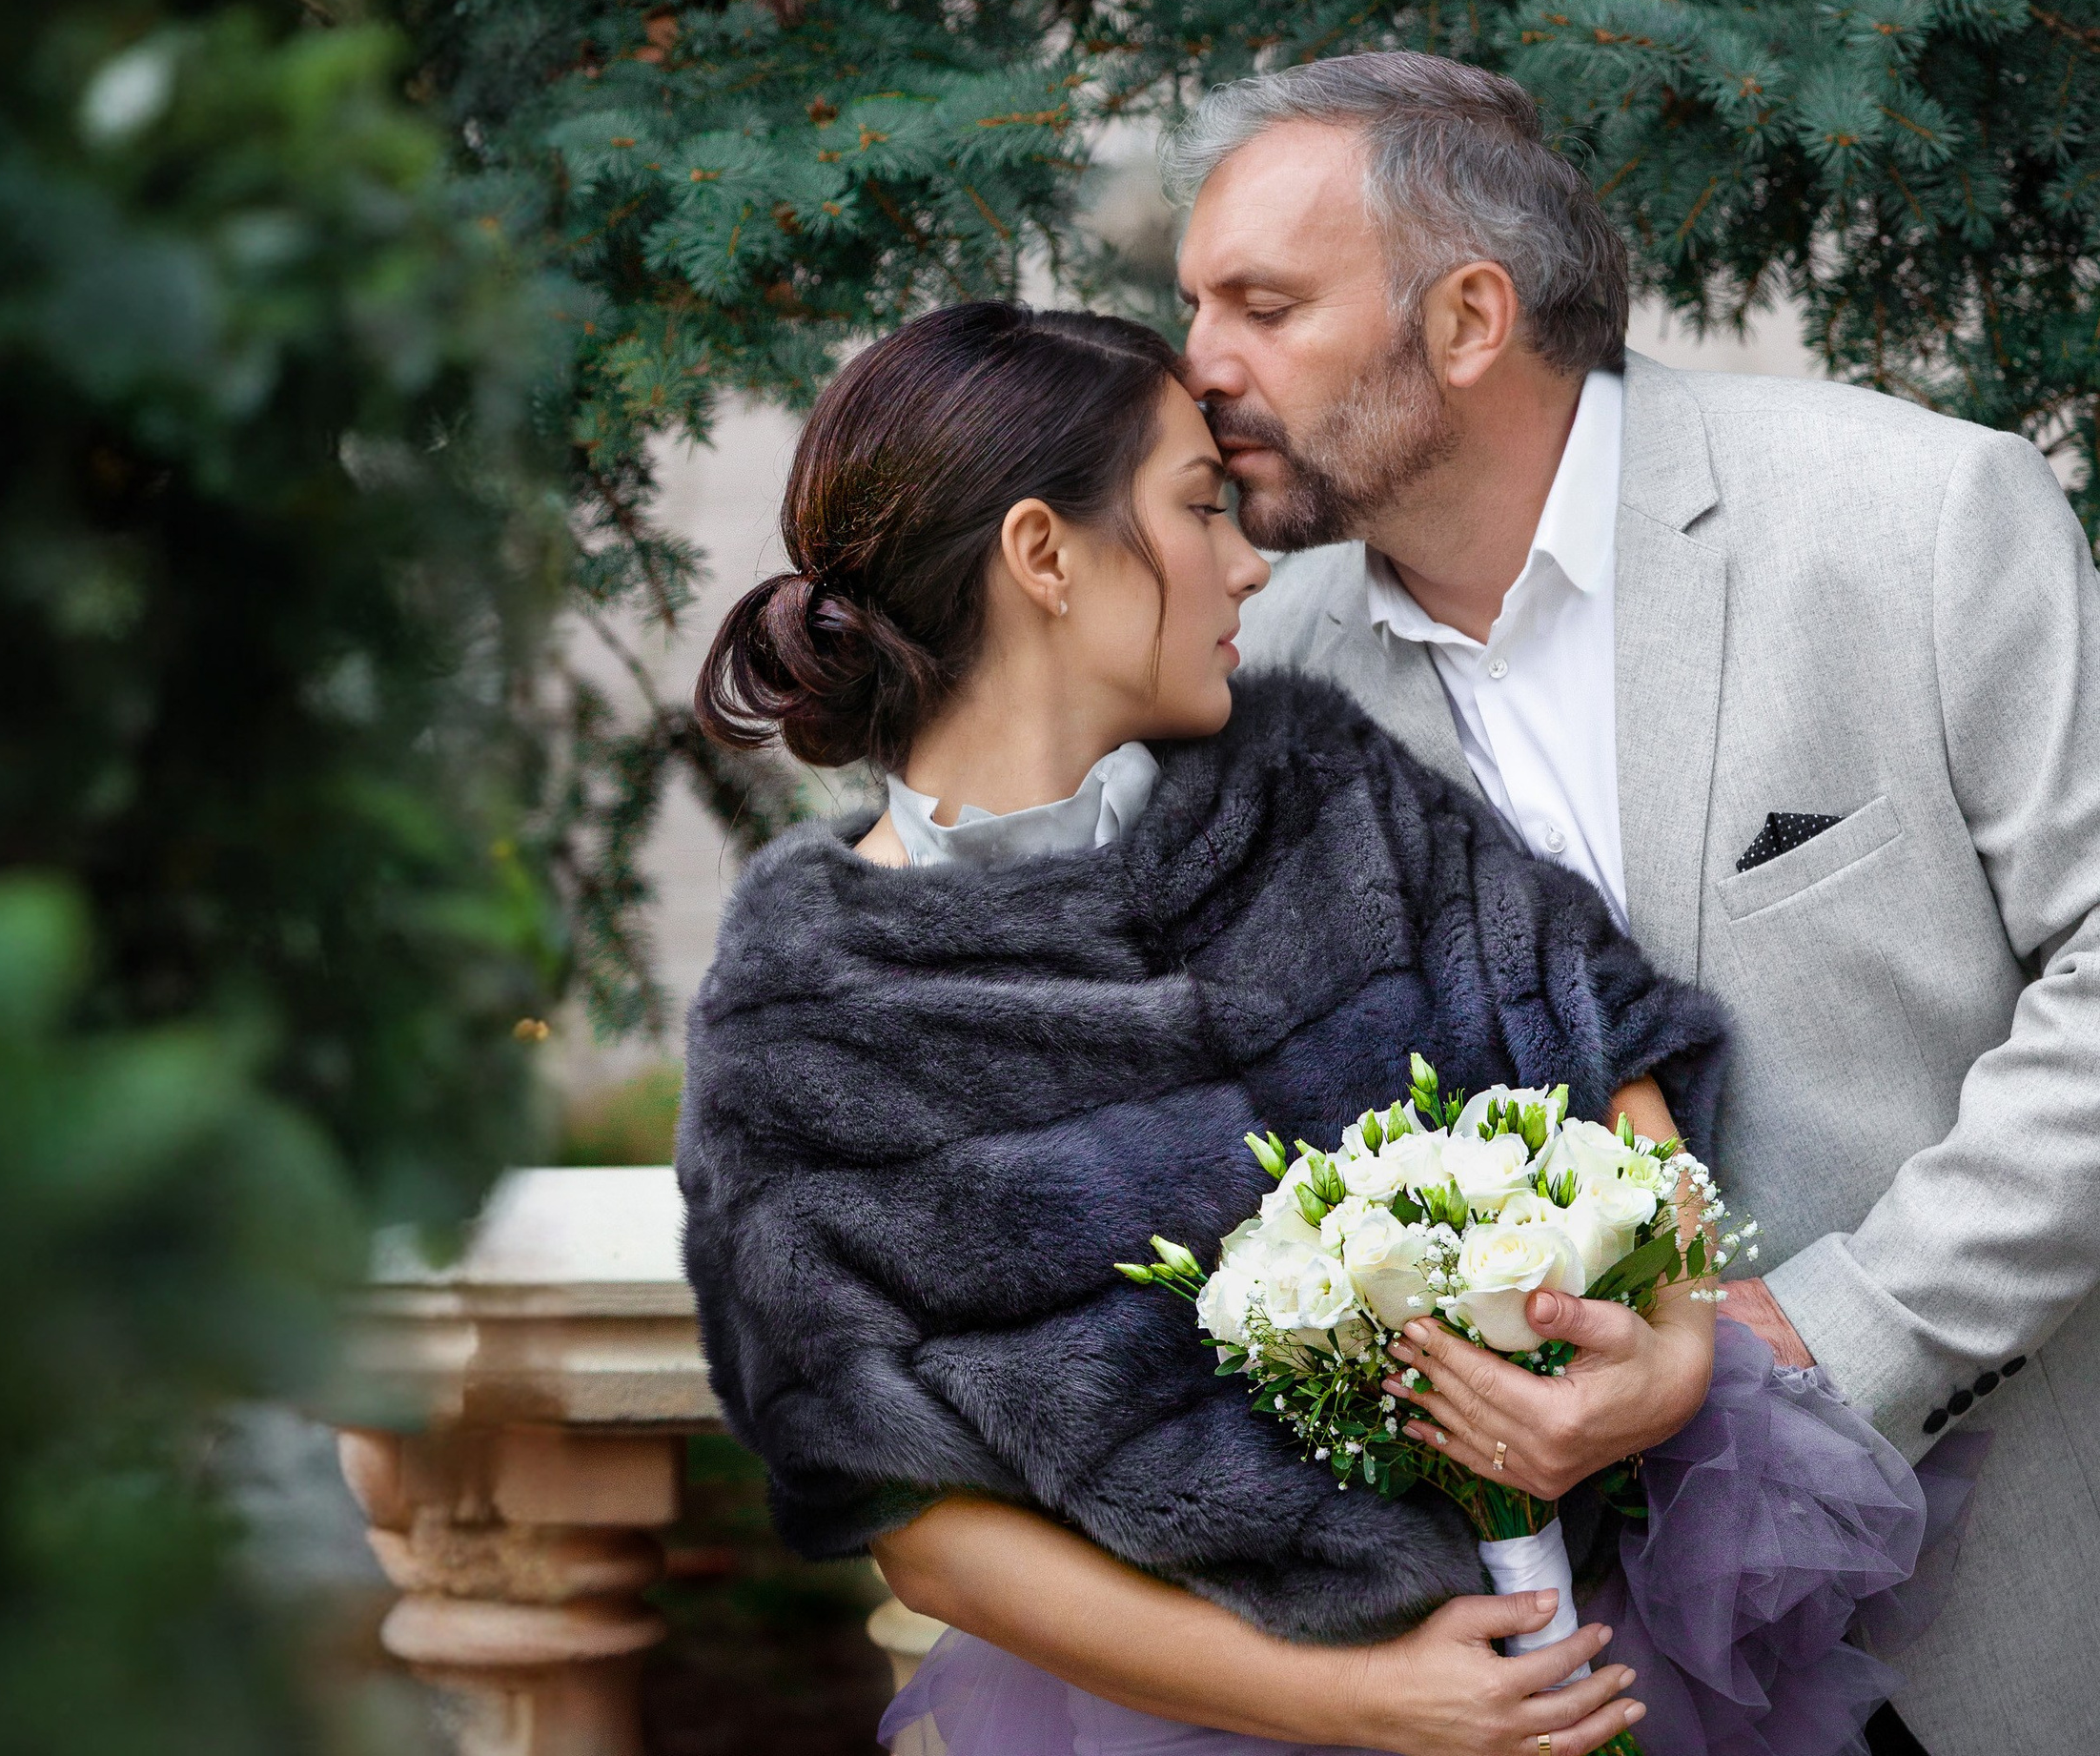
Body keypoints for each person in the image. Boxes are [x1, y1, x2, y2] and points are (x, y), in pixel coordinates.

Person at [676, 301, 1921, 1756]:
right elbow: (915, 1521)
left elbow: (1596, 1032)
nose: (1251, 562)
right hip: (1213, 1718)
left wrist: (1674, 1342)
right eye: (1199, 505)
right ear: (1043, 554)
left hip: (1615, 1639)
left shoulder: (1317, 775)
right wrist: (1368, 1700)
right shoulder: (806, 1017)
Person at [1171, 50, 2100, 1756]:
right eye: (1193, 305)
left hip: (1986, 1606)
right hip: (1549, 1671)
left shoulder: (1916, 516)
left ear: (1470, 317)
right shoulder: (1265, 676)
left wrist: (1822, 1340)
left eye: (1264, 305)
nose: (1201, 364)